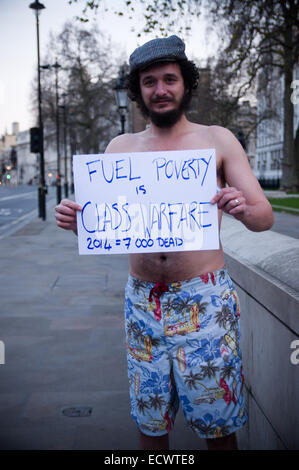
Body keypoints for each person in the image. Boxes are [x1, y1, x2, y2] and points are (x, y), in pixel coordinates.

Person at [55, 35, 273, 450]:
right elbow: (108, 227)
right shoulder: (120, 148)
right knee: (150, 422)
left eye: (169, 79)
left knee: (218, 425)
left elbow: (265, 217)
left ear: (185, 84)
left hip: (205, 301)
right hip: (142, 302)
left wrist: (242, 207)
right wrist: (77, 223)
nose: (160, 89)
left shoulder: (218, 140)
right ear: (137, 90)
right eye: (149, 81)